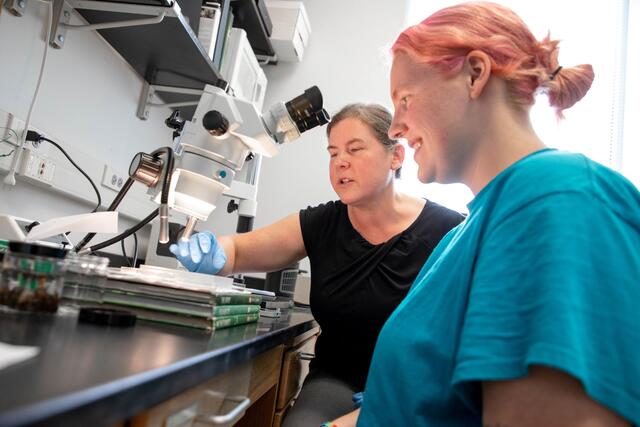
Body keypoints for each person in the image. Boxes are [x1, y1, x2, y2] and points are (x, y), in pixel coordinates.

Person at [327, 2, 640, 427]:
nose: (396, 126)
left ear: (475, 74)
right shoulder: (468, 232)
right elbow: (415, 401)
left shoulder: (559, 199)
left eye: (404, 99)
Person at [169, 103, 465, 425]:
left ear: (395, 157)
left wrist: (404, 393)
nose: (341, 162)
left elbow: (467, 336)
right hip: (336, 379)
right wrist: (215, 252)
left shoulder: (449, 231)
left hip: (414, 386)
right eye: (333, 153)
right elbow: (238, 252)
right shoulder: (321, 223)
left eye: (355, 149)